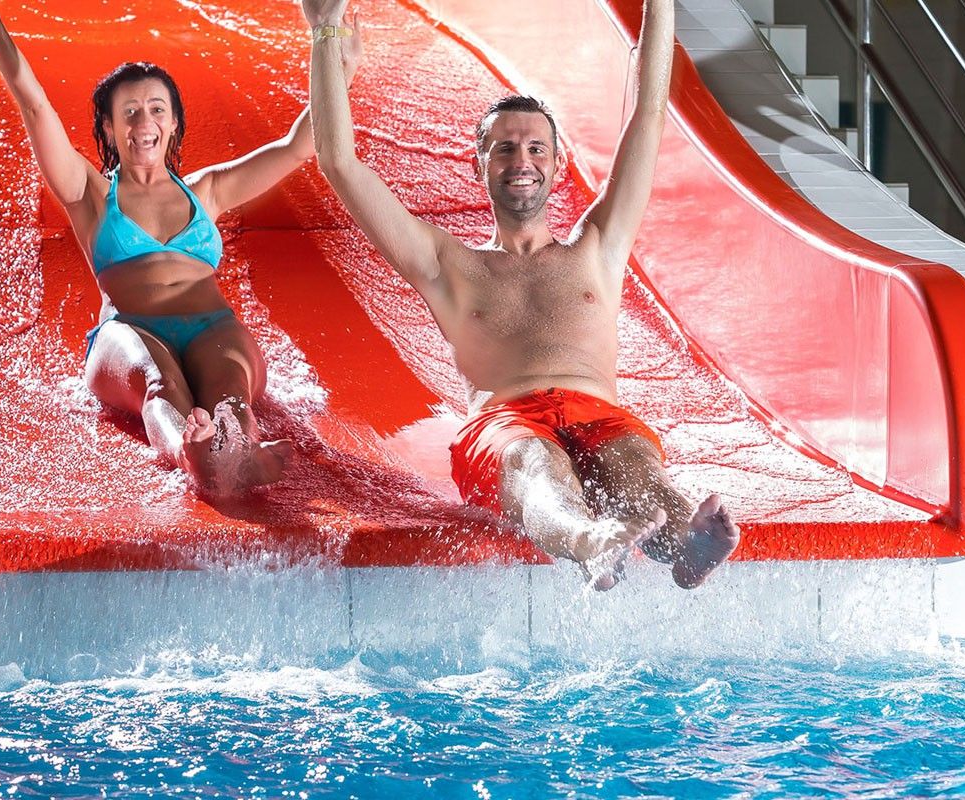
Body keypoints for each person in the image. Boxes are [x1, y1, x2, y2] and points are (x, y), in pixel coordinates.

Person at [302, 0, 740, 589]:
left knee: (634, 465)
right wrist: (325, 32)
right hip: (505, 425)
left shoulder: (599, 247)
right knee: (536, 461)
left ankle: (686, 543)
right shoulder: (447, 265)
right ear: (478, 164)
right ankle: (590, 541)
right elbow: (339, 162)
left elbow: (649, 114)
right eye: (504, 148)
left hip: (599, 412)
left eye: (536, 148)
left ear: (558, 165)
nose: (522, 161)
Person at [0, 0, 360, 503]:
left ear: (172, 122)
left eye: (156, 109)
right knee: (159, 383)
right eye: (128, 112)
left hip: (212, 325)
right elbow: (36, 105)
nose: (143, 121)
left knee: (230, 391)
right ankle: (190, 453)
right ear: (109, 128)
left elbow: (299, 145)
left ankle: (240, 447)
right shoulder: (90, 194)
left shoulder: (208, 190)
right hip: (130, 329)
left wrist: (341, 67)